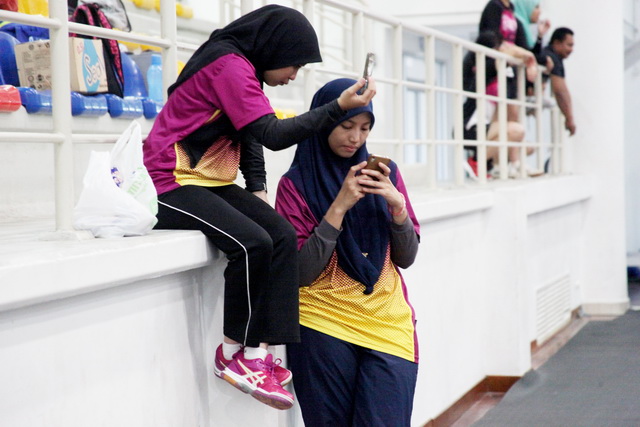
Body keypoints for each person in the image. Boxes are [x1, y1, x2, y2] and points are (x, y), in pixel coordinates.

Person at [142, 5, 376, 411]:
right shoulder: (229, 66)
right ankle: (234, 354)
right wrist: (336, 107)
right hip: (167, 181)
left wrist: (258, 191)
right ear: (275, 49)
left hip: (209, 180)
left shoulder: (244, 70)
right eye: (295, 65)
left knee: (280, 233)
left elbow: (249, 134)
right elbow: (272, 134)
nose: (294, 75)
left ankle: (258, 352)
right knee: (252, 243)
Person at [275, 78, 420, 426]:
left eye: (365, 128)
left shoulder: (386, 175)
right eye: (347, 126)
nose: (356, 138)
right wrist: (338, 207)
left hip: (387, 319)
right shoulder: (295, 184)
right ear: (325, 121)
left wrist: (398, 208)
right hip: (321, 318)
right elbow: (301, 272)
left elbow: (406, 257)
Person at [463, 32, 538, 179]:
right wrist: (531, 59)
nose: (505, 47)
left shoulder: (502, 73)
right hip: (471, 126)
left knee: (528, 147)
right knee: (517, 131)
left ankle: (500, 166)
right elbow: (510, 52)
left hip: (487, 125)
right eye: (501, 45)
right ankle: (476, 162)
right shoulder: (487, 67)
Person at [479, 0, 538, 121]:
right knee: (502, 114)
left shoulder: (512, 10)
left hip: (509, 68)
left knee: (512, 114)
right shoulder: (494, 6)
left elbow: (523, 43)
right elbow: (491, 38)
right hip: (495, 67)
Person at [543, 27, 576, 135]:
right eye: (569, 45)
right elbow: (560, 91)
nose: (571, 50)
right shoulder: (552, 58)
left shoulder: (552, 56)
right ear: (557, 43)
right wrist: (569, 119)